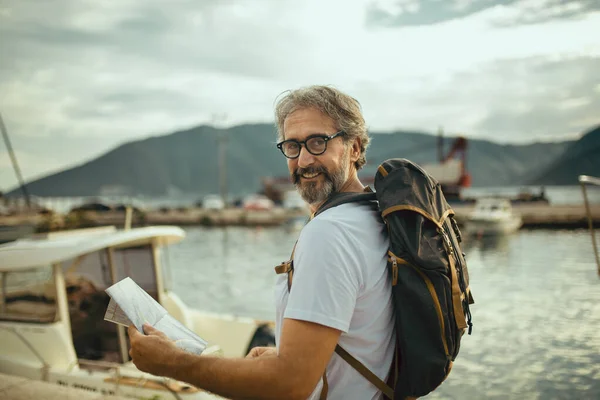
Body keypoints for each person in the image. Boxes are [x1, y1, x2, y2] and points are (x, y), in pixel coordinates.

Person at [128, 85, 396, 400]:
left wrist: (172, 362)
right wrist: (288, 356)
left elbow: (288, 385)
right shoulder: (372, 216)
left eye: (318, 142)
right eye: (292, 146)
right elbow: (365, 334)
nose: (304, 159)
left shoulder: (330, 233)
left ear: (354, 147)